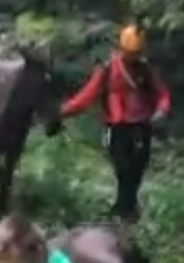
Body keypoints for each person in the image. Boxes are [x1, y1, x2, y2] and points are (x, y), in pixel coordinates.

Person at [60, 23, 171, 223]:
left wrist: (162, 110)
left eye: (136, 52)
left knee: (138, 168)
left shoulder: (145, 69)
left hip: (142, 125)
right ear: (121, 49)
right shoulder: (108, 69)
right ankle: (123, 208)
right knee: (122, 168)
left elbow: (161, 93)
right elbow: (87, 96)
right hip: (118, 126)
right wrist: (62, 112)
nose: (133, 57)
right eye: (130, 52)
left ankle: (127, 207)